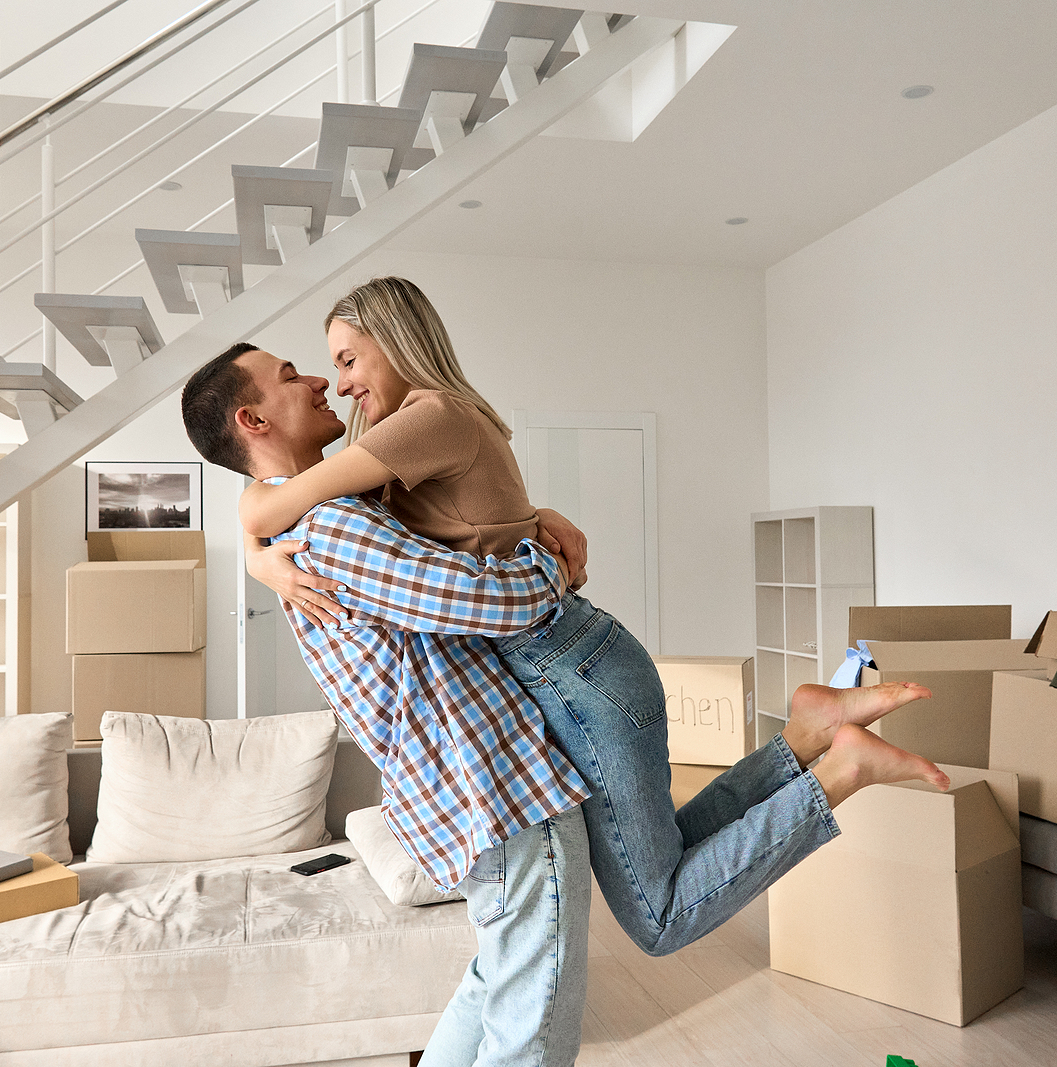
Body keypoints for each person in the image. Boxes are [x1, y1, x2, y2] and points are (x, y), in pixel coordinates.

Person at [236, 277, 950, 958]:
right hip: (577, 662)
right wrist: (259, 557)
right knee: (665, 855)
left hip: (571, 668)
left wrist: (257, 551)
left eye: (349, 358)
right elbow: (300, 504)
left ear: (396, 339)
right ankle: (806, 733)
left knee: (659, 916)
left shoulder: (426, 418)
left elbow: (277, 501)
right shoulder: (421, 425)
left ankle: (841, 769)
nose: (341, 381)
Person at [184, 342, 592, 1066]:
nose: (321, 380)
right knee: (530, 1031)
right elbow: (492, 602)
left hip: (469, 798)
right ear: (252, 418)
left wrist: (528, 518)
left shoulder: (300, 523)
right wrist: (551, 564)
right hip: (501, 789)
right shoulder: (335, 526)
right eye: (291, 377)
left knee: (494, 982)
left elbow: (448, 530)